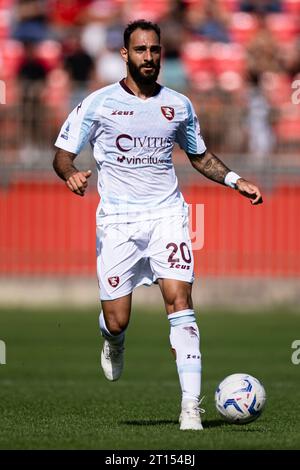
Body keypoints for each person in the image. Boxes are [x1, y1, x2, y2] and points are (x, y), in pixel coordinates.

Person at [53, 20, 263, 431]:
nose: (149, 57)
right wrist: (71, 174)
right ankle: (112, 340)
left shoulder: (179, 105)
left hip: (168, 215)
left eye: (154, 50)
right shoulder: (99, 104)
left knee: (180, 303)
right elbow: (62, 153)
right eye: (141, 50)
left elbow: (199, 155)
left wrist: (236, 180)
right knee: (117, 318)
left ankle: (190, 408)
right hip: (117, 222)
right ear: (125, 55)